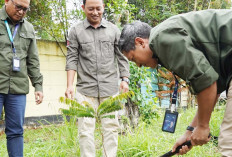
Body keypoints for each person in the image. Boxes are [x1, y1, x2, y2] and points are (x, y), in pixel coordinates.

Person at [119, 9, 232, 156]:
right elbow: (213, 89)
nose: (138, 65)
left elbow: (206, 83)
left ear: (140, 42)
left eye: (133, 58)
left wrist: (203, 126)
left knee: (228, 143)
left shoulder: (160, 39)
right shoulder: (166, 38)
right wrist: (190, 132)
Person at [65, 0, 130, 156]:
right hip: (85, 90)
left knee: (111, 128)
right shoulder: (75, 31)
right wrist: (69, 85)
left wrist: (125, 79)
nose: (95, 12)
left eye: (98, 8)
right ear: (83, 8)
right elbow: (72, 58)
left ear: (103, 8)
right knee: (85, 131)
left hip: (110, 89)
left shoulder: (114, 30)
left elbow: (122, 57)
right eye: (91, 9)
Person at [0, 0, 43, 156]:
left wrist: (38, 85)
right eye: (18, 7)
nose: (21, 12)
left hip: (17, 88)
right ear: (6, 1)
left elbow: (33, 60)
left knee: (16, 131)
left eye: (25, 9)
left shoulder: (28, 28)